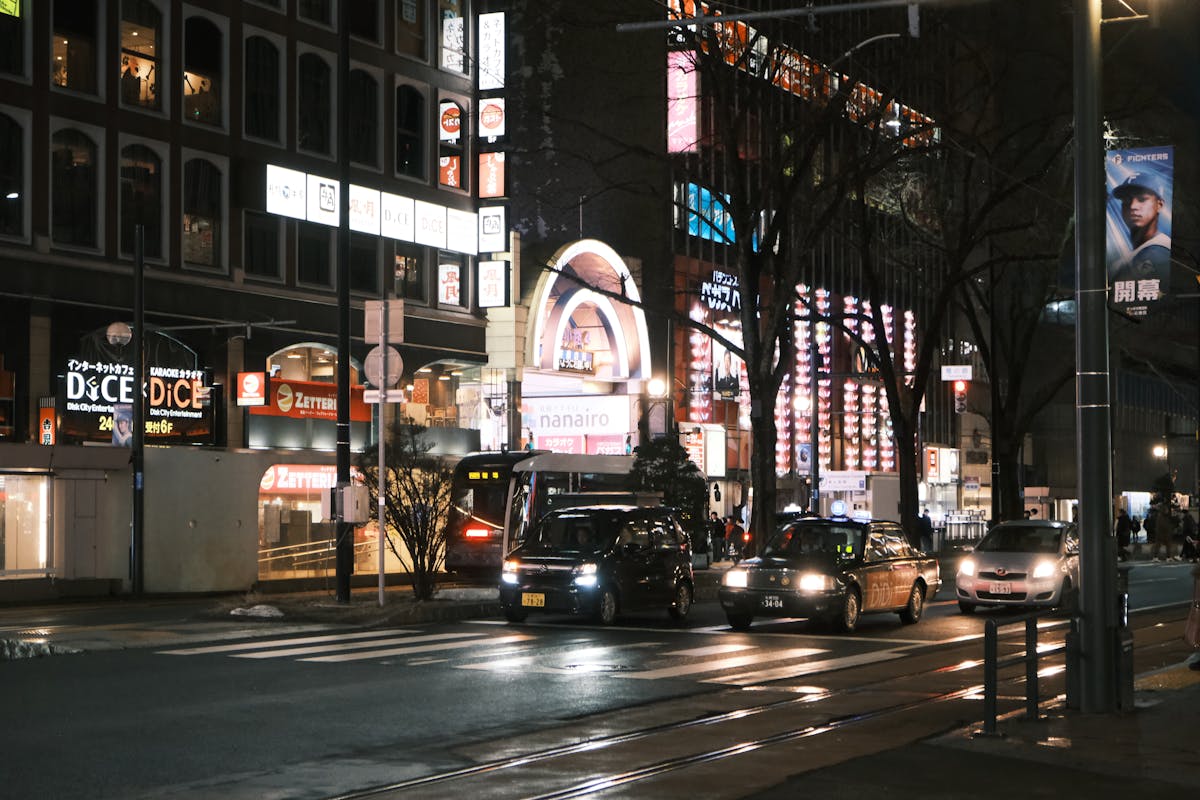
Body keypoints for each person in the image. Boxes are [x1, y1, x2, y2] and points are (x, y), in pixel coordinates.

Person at [1111, 172, 1171, 285]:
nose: (1133, 206)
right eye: (1126, 201)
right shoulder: (1127, 258)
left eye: (1142, 199)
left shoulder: (1160, 250)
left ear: (1159, 205)